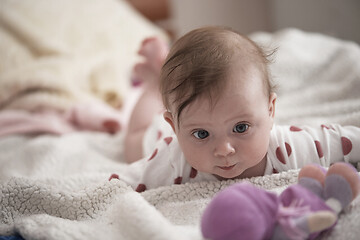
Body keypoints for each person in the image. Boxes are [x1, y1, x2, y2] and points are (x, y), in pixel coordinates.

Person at [113, 26, 360, 192]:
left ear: (270, 110)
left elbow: (345, 140)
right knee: (134, 140)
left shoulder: (289, 148)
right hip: (155, 135)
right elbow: (118, 185)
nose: (224, 150)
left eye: (241, 128)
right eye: (201, 134)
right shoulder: (169, 161)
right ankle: (153, 84)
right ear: (175, 127)